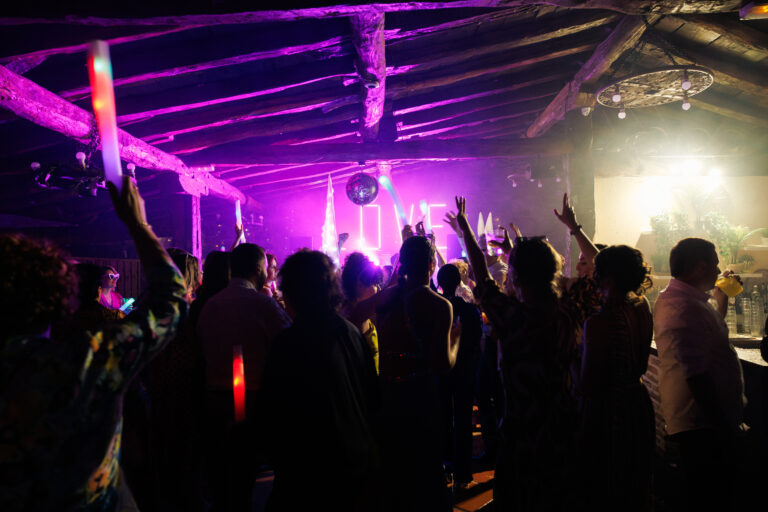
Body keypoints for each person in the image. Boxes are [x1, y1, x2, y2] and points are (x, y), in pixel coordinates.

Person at [0, 176, 186, 511]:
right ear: (58, 298)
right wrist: (138, 222)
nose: (113, 280)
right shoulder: (87, 359)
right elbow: (172, 302)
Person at [453, 195, 582, 511]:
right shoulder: (570, 311)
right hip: (563, 424)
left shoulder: (513, 317)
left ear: (514, 275)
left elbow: (482, 275)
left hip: (523, 427)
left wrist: (466, 229)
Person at [260, 250, 379, 511]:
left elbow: (273, 412)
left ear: (292, 292)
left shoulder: (288, 343)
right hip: (355, 463)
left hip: (309, 473)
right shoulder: (350, 331)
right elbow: (372, 397)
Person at [351, 235, 459, 511]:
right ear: (432, 264)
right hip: (420, 392)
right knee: (424, 464)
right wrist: (457, 340)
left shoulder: (388, 297)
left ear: (402, 264)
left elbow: (353, 315)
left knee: (392, 463)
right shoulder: (440, 305)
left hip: (387, 389)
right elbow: (442, 364)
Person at [654, 238, 746, 512]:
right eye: (715, 267)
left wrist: (722, 298)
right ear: (698, 267)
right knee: (707, 497)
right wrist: (723, 424)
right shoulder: (683, 307)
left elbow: (709, 335)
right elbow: (695, 374)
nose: (719, 273)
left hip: (705, 422)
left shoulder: (690, 300)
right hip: (701, 425)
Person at [197, 242, 291, 512]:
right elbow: (287, 341)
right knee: (246, 478)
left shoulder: (211, 305)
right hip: (251, 402)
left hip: (214, 401)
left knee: (222, 481)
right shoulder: (262, 304)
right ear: (259, 268)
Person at [580, 245, 655, 511]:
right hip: (638, 401)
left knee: (607, 485)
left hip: (609, 410)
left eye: (597, 272)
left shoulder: (600, 322)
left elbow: (588, 382)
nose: (593, 277)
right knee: (636, 483)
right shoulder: (642, 305)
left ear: (608, 278)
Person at [149, 248, 206, 512]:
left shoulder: (147, 307)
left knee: (161, 446)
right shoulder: (191, 310)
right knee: (184, 448)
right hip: (183, 384)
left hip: (155, 385)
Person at [436, 263, 482, 489]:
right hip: (465, 371)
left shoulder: (436, 307)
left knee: (443, 418)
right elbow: (476, 343)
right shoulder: (469, 310)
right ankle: (464, 475)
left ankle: (445, 469)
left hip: (442, 371)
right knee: (463, 421)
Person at [341, 252, 383, 373]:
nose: (379, 289)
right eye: (375, 284)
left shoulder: (368, 316)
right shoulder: (351, 316)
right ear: (360, 283)